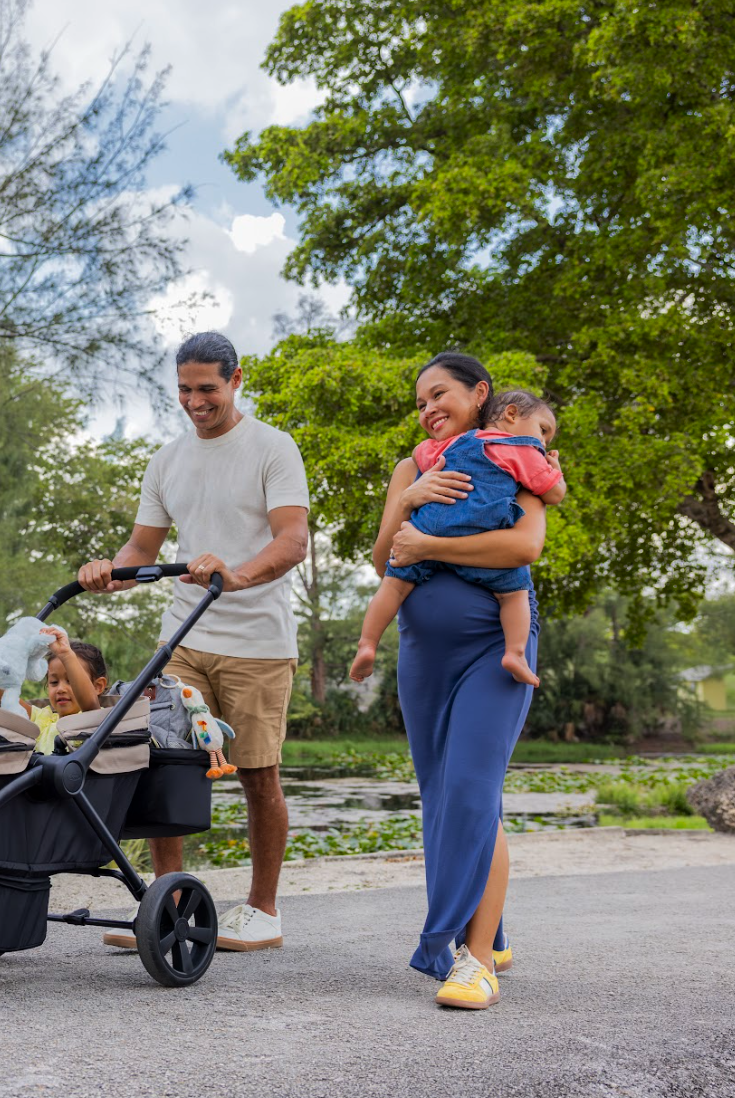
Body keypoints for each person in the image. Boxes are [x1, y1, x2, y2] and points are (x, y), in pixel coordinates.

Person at [77, 331, 309, 951]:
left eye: (207, 388)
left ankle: (263, 911)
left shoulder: (272, 449)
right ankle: (169, 904)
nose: (195, 401)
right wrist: (111, 572)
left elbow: (291, 541)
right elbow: (142, 549)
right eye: (184, 389)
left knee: (258, 775)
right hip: (183, 634)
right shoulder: (168, 459)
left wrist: (238, 575)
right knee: (160, 763)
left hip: (257, 642)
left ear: (236, 380)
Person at [372, 352, 549, 1010]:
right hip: (422, 652)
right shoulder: (410, 466)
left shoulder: (513, 454)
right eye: (419, 402)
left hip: (493, 647)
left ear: (480, 395)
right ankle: (489, 927)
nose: (427, 408)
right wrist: (409, 502)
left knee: (473, 792)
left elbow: (523, 548)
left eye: (439, 393)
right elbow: (382, 557)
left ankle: (474, 961)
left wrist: (431, 544)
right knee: (442, 798)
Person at [350, 389, 566, 688]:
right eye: (543, 431)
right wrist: (555, 472)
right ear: (512, 414)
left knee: (394, 585)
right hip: (480, 531)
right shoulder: (525, 451)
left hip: (430, 526)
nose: (543, 443)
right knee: (514, 593)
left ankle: (367, 643)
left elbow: (419, 454)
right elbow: (554, 494)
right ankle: (515, 653)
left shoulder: (450, 444)